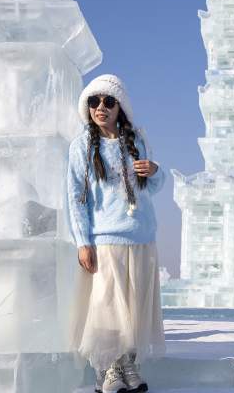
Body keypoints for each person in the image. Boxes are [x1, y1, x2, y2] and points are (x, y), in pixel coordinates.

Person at [67, 74, 167, 393]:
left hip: (141, 235)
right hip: (106, 237)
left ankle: (128, 364)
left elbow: (154, 186)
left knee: (135, 310)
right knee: (107, 307)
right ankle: (108, 368)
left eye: (108, 101)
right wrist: (83, 241)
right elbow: (75, 196)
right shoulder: (81, 145)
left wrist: (155, 171)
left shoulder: (136, 138)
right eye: (94, 101)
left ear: (120, 106)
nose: (101, 107)